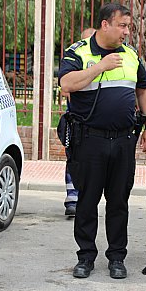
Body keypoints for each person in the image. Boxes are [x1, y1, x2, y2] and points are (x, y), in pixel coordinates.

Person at [58, 3, 146, 279]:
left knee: (118, 202)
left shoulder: (131, 55)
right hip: (89, 140)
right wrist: (100, 66)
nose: (127, 31)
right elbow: (67, 84)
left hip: (124, 140)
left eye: (128, 26)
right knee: (87, 201)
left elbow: (143, 92)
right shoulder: (78, 51)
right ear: (105, 25)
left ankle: (117, 257)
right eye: (122, 25)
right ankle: (86, 257)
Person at [63, 27, 97, 217]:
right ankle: (72, 199)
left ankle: (86, 198)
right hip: (76, 122)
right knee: (74, 159)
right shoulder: (76, 58)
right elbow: (65, 88)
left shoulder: (101, 60)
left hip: (97, 123)